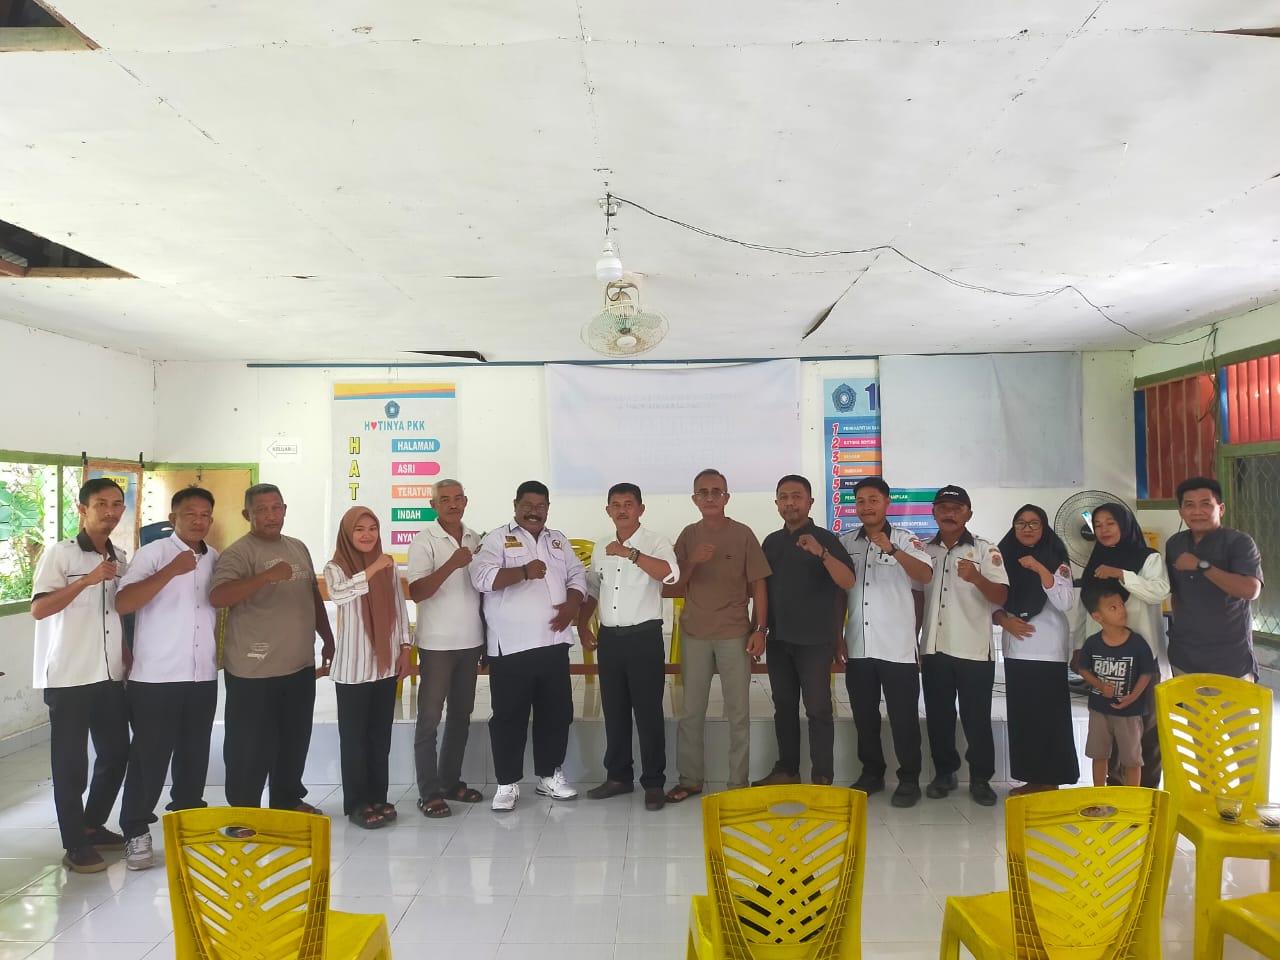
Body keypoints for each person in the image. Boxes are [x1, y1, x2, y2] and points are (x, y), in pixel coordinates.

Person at [209, 484, 334, 812]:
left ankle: (287, 801)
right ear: (247, 514)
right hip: (253, 672)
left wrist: (328, 637)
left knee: (294, 740)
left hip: (299, 665)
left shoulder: (298, 547)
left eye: (276, 507)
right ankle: (244, 812)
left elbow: (311, 594)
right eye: (261, 509)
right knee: (248, 747)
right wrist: (264, 577)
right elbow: (218, 597)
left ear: (284, 510)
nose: (270, 515)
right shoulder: (238, 553)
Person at [115, 487, 219, 870]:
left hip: (202, 673)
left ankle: (187, 822)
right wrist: (171, 570)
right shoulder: (153, 554)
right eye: (190, 513)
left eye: (205, 514)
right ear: (173, 517)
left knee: (194, 754)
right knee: (149, 757)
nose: (198, 520)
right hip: (156, 677)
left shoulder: (216, 558)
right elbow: (123, 603)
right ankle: (135, 830)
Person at [30, 478, 131, 874]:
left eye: (117, 504)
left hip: (109, 675)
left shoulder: (120, 556)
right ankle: (75, 844)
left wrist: (127, 655)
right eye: (101, 504)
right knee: (71, 765)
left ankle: (92, 824)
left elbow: (117, 614)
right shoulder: (62, 554)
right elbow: (39, 610)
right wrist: (87, 580)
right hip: (69, 675)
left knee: (117, 753)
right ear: (82, 509)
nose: (110, 511)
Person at [471, 481, 586, 812]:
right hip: (511, 647)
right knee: (509, 717)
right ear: (516, 505)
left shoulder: (557, 539)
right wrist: (522, 571)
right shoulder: (496, 539)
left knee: (557, 713)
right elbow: (481, 578)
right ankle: (507, 784)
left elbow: (578, 575)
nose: (534, 511)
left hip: (553, 644)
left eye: (541, 506)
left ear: (548, 508)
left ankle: (549, 776)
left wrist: (572, 605)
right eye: (528, 505)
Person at [664, 468, 770, 803]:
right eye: (703, 492)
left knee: (738, 713)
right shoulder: (688, 535)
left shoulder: (743, 534)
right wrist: (693, 561)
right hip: (695, 634)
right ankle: (690, 779)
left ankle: (737, 784)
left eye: (716, 491)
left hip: (734, 633)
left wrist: (760, 629)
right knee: (691, 712)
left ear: (726, 497)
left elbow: (759, 585)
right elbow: (675, 584)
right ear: (694, 499)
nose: (710, 497)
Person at [578, 483, 679, 811]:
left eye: (628, 504)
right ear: (608, 510)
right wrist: (582, 624)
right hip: (610, 639)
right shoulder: (601, 546)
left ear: (640, 509)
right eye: (616, 505)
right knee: (615, 710)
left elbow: (670, 574)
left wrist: (631, 554)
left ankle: (654, 782)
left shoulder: (655, 542)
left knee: (648, 712)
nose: (622, 510)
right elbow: (593, 587)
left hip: (644, 638)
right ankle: (618, 777)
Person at [837, 477, 934, 807]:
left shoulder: (906, 539)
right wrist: (838, 636)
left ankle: (909, 778)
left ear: (887, 502)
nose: (866, 506)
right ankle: (872, 773)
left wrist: (892, 549)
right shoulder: (845, 542)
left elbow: (924, 575)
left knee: (903, 717)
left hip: (897, 647)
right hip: (859, 645)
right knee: (864, 716)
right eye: (860, 501)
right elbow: (839, 593)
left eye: (873, 500)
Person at [753, 475, 856, 787]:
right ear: (776, 504)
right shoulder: (771, 542)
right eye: (783, 497)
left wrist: (821, 553)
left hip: (815, 640)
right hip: (779, 638)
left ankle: (822, 776)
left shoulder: (826, 539)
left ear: (810, 502)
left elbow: (847, 582)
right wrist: (758, 629)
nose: (790, 503)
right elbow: (761, 589)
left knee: (818, 709)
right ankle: (788, 769)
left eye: (796, 496)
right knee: (783, 706)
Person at [919, 485, 1009, 806]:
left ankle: (981, 778)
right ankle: (945, 773)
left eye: (957, 508)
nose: (949, 513)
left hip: (974, 650)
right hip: (934, 648)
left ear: (968, 513)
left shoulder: (986, 549)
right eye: (943, 507)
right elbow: (917, 597)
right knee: (939, 717)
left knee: (976, 719)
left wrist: (978, 578)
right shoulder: (923, 550)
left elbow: (1001, 596)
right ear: (933, 513)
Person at [323, 506, 412, 829]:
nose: (367, 535)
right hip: (353, 670)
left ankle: (378, 797)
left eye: (372, 528)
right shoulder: (336, 567)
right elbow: (340, 594)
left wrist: (405, 648)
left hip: (385, 666)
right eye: (359, 529)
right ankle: (357, 804)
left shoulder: (388, 566)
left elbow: (399, 608)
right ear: (347, 533)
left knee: (379, 738)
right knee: (354, 740)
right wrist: (373, 569)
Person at [1074, 501, 1169, 787]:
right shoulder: (1095, 561)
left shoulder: (1148, 559)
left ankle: (1146, 792)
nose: (1103, 530)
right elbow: (1085, 608)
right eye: (1098, 525)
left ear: (1124, 525)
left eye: (1110, 523)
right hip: (1105, 659)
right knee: (1110, 725)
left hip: (1141, 659)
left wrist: (1121, 574)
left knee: (1144, 729)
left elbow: (1159, 592)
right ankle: (1115, 790)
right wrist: (1078, 647)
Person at [407, 480, 485, 818]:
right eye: (445, 500)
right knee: (429, 719)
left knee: (461, 716)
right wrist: (452, 564)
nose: (453, 505)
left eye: (457, 499)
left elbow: (483, 591)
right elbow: (417, 592)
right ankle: (428, 792)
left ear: (465, 501)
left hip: (471, 640)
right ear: (433, 505)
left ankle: (450, 782)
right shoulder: (424, 541)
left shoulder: (475, 538)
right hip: (437, 644)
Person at [995, 504, 1079, 796]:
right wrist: (1004, 620)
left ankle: (1051, 780)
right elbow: (992, 601)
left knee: (1049, 720)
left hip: (1048, 652)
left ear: (1043, 528)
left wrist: (1039, 568)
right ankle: (1031, 779)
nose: (1027, 528)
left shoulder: (1055, 559)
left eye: (1033, 523)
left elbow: (1065, 601)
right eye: (1020, 523)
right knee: (1024, 719)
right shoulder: (1003, 557)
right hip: (1016, 650)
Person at [1165, 476, 1264, 679]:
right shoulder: (1175, 544)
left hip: (1230, 657)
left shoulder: (1239, 542)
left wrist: (1201, 566)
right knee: (1187, 701)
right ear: (1181, 511)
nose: (1197, 511)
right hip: (1184, 654)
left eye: (1206, 504)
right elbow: (1176, 593)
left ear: (1221, 509)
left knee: (1234, 702)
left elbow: (1250, 590)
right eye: (1189, 505)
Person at [1078, 583, 1157, 787]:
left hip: (1129, 713)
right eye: (1113, 607)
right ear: (1097, 617)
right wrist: (1099, 685)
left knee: (1132, 758)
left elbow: (1147, 672)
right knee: (1099, 754)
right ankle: (1099, 794)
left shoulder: (1137, 643)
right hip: (1099, 710)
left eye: (1122, 605)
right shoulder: (1093, 643)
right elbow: (1083, 669)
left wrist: (1133, 696)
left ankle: (1132, 798)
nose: (1122, 610)